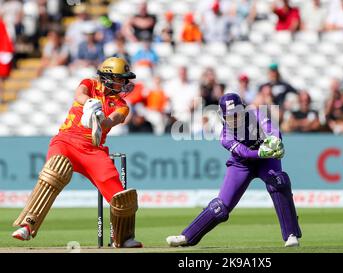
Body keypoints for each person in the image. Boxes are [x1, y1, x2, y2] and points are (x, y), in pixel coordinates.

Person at [11, 57, 142, 248]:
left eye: (124, 80)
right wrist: (91, 103)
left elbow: (111, 121)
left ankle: (123, 238)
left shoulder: (121, 105)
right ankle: (27, 226)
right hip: (65, 141)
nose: (124, 84)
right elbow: (79, 94)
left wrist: (100, 118)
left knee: (122, 198)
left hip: (93, 150)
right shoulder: (90, 84)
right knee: (55, 170)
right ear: (107, 77)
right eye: (120, 79)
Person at [166, 93, 301, 248]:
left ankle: (291, 235)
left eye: (237, 114)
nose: (234, 119)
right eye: (229, 116)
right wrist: (263, 152)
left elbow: (272, 130)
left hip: (267, 161)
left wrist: (275, 141)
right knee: (220, 207)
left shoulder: (256, 114)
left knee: (278, 182)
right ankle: (186, 236)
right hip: (242, 165)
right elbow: (244, 152)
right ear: (222, 116)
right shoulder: (225, 136)